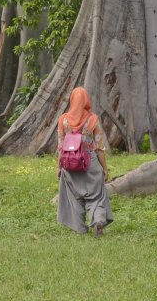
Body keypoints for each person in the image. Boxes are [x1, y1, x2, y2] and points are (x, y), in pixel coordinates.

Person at [56, 86, 113, 236]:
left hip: (69, 165)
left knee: (74, 196)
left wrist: (59, 167)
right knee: (96, 195)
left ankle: (80, 228)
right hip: (90, 164)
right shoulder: (92, 119)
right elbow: (99, 147)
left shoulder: (64, 120)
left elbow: (61, 147)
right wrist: (105, 169)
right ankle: (99, 220)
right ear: (86, 100)